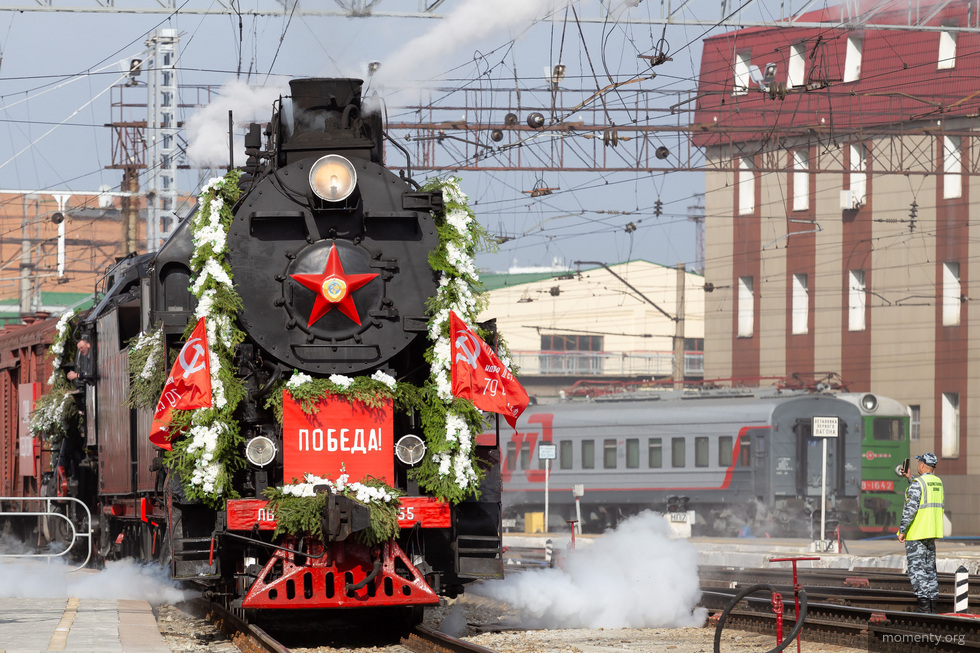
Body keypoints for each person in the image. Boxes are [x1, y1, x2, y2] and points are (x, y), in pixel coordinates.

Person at [897, 452, 944, 613]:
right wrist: (910, 479)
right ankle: (931, 605)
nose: (917, 465)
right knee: (930, 569)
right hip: (932, 533)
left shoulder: (918, 483)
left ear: (923, 465)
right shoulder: (937, 482)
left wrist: (902, 530)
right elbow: (925, 497)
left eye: (919, 462)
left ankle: (924, 607)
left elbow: (910, 510)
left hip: (917, 533)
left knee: (917, 570)